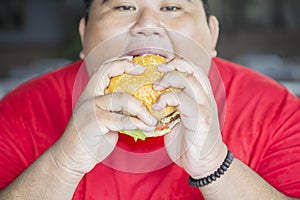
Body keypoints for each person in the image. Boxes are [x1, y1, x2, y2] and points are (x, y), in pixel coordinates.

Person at [0, 0, 300, 199]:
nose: (147, 23)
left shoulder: (277, 111)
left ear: (212, 34)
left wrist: (213, 165)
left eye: (171, 7)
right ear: (84, 34)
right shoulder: (20, 111)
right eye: (123, 6)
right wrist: (64, 163)